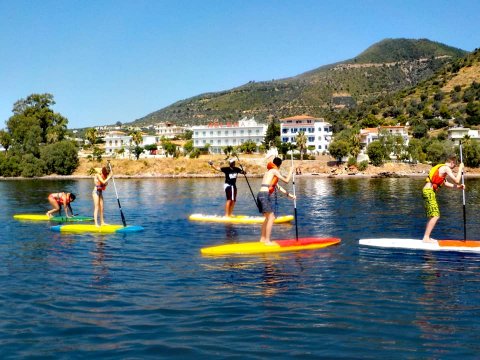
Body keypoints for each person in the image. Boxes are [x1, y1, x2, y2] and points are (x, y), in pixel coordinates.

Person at [422, 155, 465, 243]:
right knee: (435, 215)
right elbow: (456, 180)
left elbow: (446, 184)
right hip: (429, 192)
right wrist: (460, 169)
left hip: (428, 192)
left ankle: (426, 237)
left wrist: (458, 187)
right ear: (452, 162)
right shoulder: (446, 168)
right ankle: (426, 238)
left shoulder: (441, 169)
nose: (453, 168)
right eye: (455, 166)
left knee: (433, 215)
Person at [257, 157, 295, 245]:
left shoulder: (268, 172)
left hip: (260, 194)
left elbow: (278, 187)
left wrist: (290, 195)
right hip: (264, 195)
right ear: (279, 165)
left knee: (267, 218)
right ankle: (267, 241)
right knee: (272, 217)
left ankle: (262, 239)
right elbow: (286, 181)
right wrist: (291, 171)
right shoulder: (274, 171)